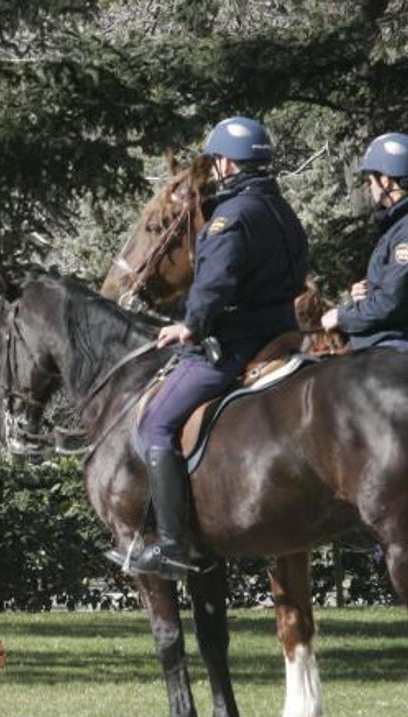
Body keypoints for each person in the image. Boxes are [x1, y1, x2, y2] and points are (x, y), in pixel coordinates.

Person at [114, 115, 309, 580]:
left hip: (236, 345)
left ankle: (174, 546)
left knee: (156, 423)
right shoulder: (284, 212)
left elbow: (215, 284)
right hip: (281, 336)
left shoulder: (229, 217)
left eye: (218, 160)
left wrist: (190, 327)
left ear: (225, 164)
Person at [319, 132, 408, 354]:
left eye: (371, 181)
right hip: (405, 332)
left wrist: (342, 316)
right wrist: (369, 291)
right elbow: (403, 286)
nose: (370, 187)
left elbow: (393, 300)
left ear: (386, 180)